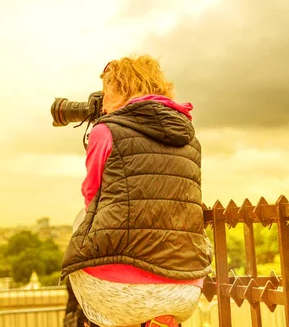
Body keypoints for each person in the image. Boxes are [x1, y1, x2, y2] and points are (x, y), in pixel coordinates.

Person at [61, 55, 213, 327]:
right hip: (186, 288)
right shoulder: (191, 139)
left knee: (80, 222)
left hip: (120, 291)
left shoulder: (105, 131)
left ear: (120, 89)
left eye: (106, 92)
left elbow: (92, 196)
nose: (103, 102)